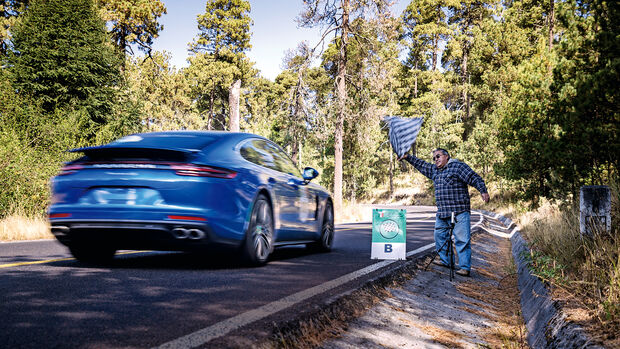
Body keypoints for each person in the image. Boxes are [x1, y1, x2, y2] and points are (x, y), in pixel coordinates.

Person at [399, 148, 490, 276]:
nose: (436, 159)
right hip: (442, 212)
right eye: (434, 158)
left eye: (438, 156)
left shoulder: (457, 166)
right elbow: (421, 164)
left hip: (459, 211)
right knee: (439, 236)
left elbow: (473, 177)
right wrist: (407, 157)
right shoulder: (434, 170)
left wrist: (483, 191)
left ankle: (464, 268)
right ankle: (446, 261)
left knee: (462, 240)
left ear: (446, 156)